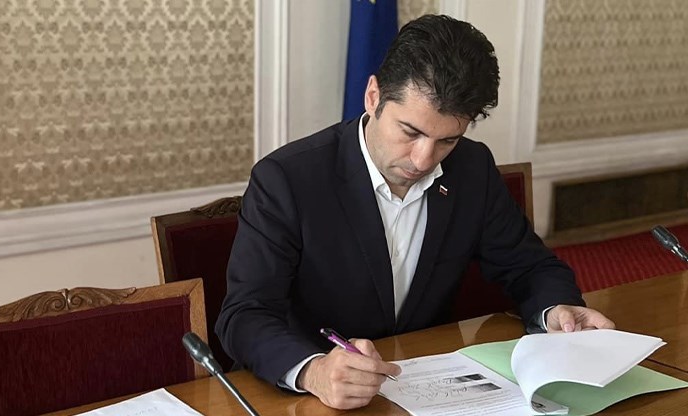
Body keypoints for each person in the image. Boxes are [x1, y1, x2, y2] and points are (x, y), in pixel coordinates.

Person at [215, 14, 614, 410]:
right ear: (373, 96)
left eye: (447, 141)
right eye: (410, 132)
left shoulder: (471, 168)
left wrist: (556, 311)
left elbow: (530, 267)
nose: (423, 159)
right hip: (310, 401)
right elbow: (244, 315)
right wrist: (312, 370)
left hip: (424, 391)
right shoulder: (287, 180)